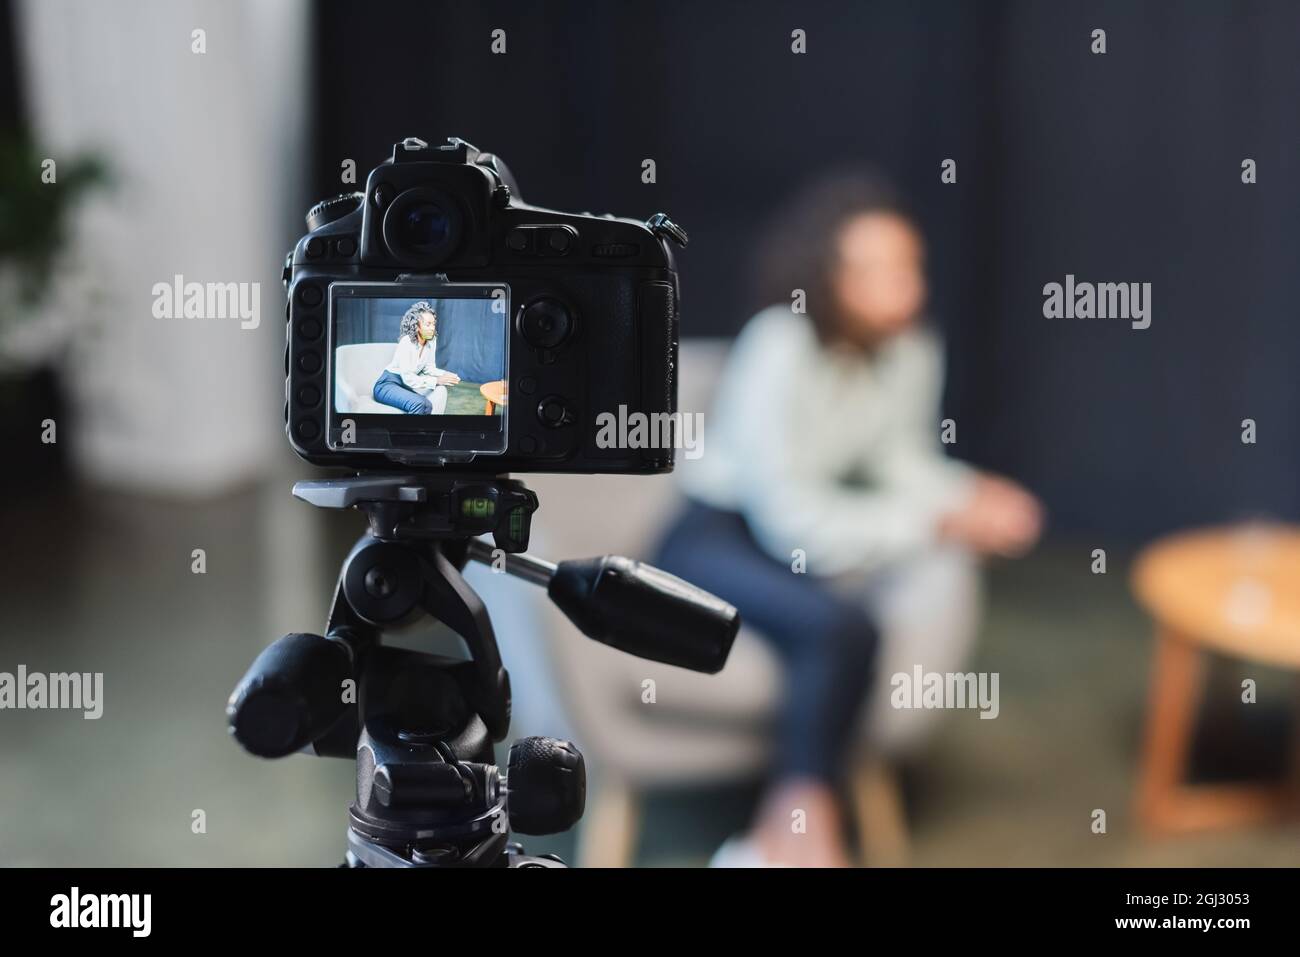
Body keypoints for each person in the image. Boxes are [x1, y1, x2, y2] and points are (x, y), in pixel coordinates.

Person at [653, 170, 1044, 867]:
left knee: (843, 632)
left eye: (908, 265)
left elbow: (902, 461)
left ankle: (779, 839)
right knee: (840, 628)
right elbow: (790, 517)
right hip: (714, 534)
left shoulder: (913, 345)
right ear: (825, 275)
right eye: (876, 269)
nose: (903, 287)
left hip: (797, 537)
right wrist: (936, 524)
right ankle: (807, 837)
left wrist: (967, 495)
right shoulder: (780, 343)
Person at [372, 301, 461, 414]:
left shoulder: (431, 340)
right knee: (420, 404)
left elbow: (428, 368)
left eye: (433, 324)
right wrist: (436, 380)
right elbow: (408, 377)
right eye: (427, 324)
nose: (432, 328)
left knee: (427, 406)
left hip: (403, 385)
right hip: (387, 384)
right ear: (416, 326)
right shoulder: (407, 342)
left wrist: (444, 374)